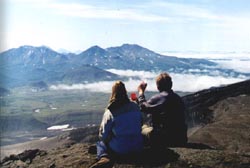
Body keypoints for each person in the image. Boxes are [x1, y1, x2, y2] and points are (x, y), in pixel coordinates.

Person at [91, 81, 144, 168]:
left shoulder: (111, 111)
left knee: (100, 144)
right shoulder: (135, 106)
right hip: (138, 146)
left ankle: (104, 157)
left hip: (121, 149)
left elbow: (103, 135)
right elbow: (141, 122)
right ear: (125, 91)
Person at [137, 72, 187, 148]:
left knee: (141, 129)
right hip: (181, 138)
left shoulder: (158, 98)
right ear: (171, 84)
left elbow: (143, 107)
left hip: (163, 139)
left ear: (158, 86)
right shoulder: (178, 98)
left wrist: (141, 92)